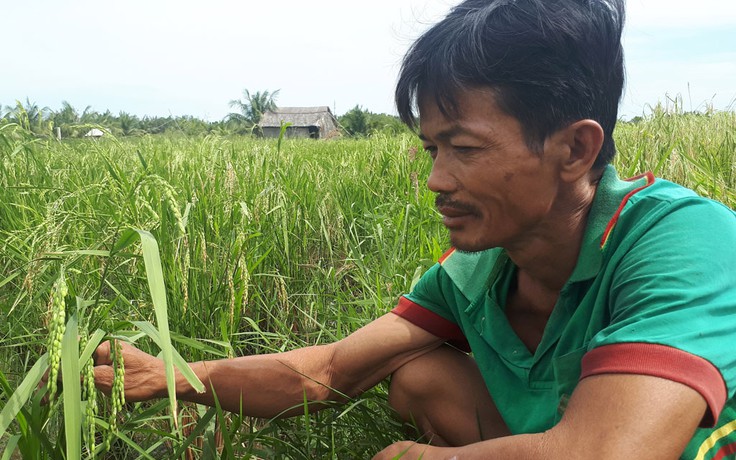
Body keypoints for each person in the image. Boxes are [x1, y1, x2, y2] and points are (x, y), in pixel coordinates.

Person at [93, 0, 736, 458]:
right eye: (432, 149)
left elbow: (606, 455)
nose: (436, 180)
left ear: (575, 150)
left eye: (465, 148)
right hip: (569, 434)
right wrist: (171, 377)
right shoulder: (479, 268)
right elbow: (330, 372)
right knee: (417, 375)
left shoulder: (685, 241)